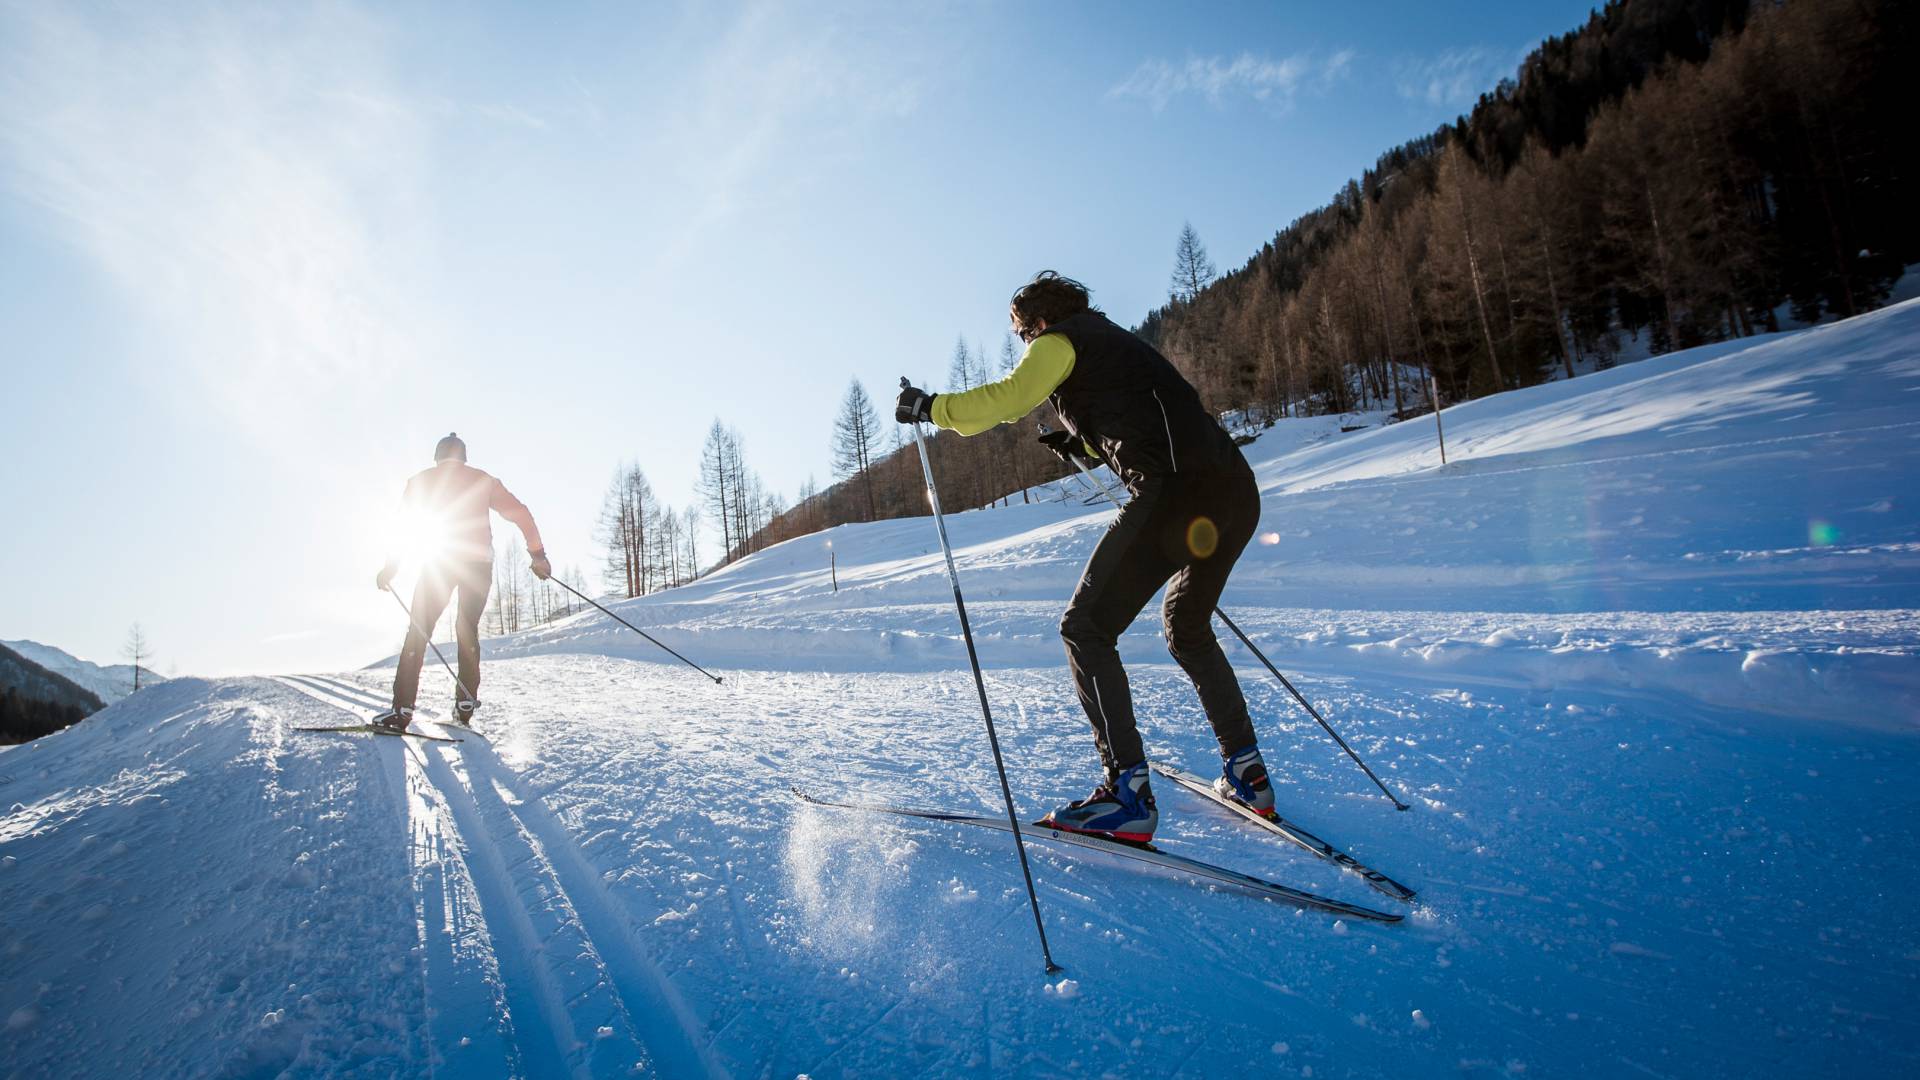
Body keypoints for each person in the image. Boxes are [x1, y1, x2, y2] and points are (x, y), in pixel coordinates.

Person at [895, 272, 1272, 843]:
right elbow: (1145, 412)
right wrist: (1087, 444)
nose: (1026, 345)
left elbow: (1007, 400)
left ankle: (1127, 796)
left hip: (1173, 493)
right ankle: (1247, 774)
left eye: (1022, 334)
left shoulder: (1059, 341)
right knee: (1188, 628)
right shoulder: (1114, 341)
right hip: (1232, 491)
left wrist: (933, 407)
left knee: (1085, 627)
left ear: (1036, 323)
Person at [371, 432, 550, 732]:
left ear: (437, 457)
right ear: (464, 457)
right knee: (467, 627)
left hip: (440, 562)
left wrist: (391, 568)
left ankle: (402, 711)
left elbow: (402, 528)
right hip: (478, 564)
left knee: (419, 629)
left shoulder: (419, 482)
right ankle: (465, 702)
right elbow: (521, 514)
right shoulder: (483, 480)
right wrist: (538, 555)